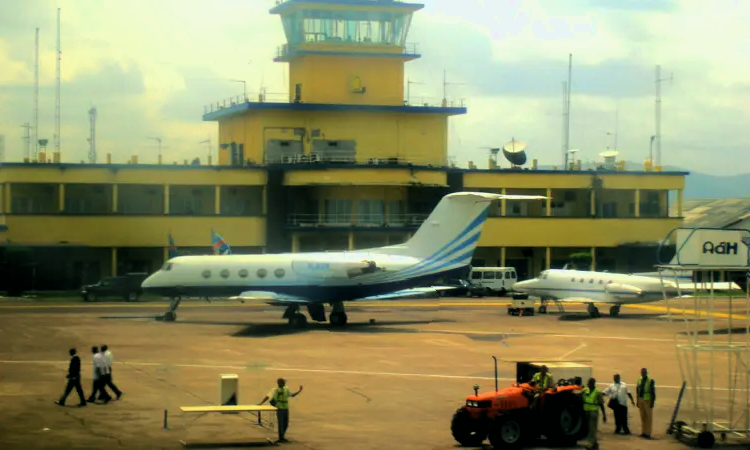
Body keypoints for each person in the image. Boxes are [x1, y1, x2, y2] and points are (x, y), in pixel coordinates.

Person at [259, 378, 303, 443]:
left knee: (286, 424)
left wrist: (299, 391)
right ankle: (281, 438)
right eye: (283, 382)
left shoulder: (286, 389)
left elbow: (292, 395)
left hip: (286, 408)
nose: (284, 383)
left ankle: (282, 436)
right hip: (279, 409)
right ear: (279, 383)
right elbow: (268, 396)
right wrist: (261, 403)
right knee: (281, 424)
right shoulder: (275, 390)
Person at [582, 377, 606, 450]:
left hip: (593, 413)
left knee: (592, 429)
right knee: (589, 429)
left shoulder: (598, 392)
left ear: (593, 384)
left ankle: (590, 445)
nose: (588, 384)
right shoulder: (585, 390)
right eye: (588, 383)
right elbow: (580, 395)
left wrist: (604, 415)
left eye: (589, 383)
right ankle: (595, 444)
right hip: (586, 412)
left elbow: (601, 404)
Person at [636, 368, 656, 439]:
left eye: (644, 372)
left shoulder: (650, 380)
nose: (643, 373)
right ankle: (643, 432)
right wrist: (637, 400)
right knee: (643, 417)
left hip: (648, 400)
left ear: (646, 373)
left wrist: (652, 402)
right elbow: (637, 390)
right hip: (641, 399)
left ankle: (648, 433)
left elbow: (653, 392)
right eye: (642, 372)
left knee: (648, 417)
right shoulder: (639, 380)